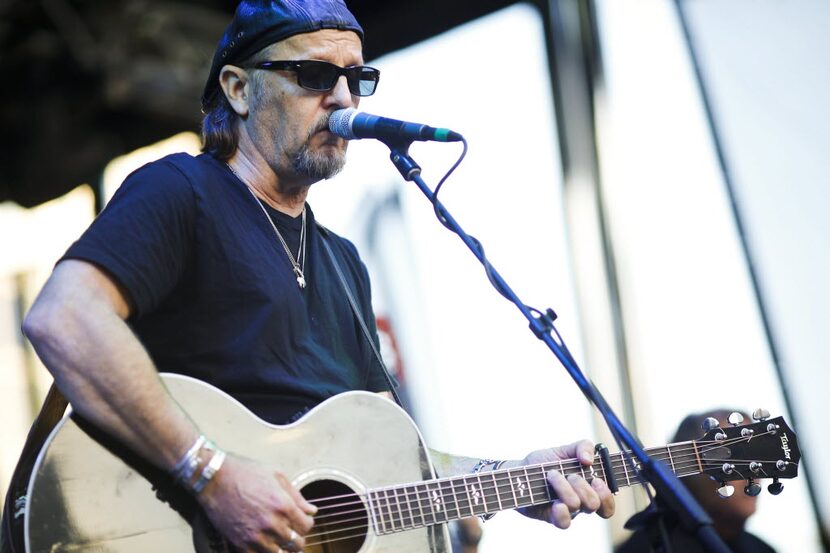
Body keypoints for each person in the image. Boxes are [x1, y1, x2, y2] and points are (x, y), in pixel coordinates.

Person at [19, 1, 615, 551]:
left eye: (356, 78)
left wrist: (510, 477)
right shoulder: (183, 192)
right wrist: (214, 477)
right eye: (313, 76)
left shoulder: (343, 262)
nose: (342, 98)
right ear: (239, 90)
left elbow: (390, 461)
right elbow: (63, 317)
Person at [616, 409, 776, 553]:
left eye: (755, 459)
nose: (755, 472)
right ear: (689, 468)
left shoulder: (763, 549)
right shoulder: (644, 548)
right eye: (734, 459)